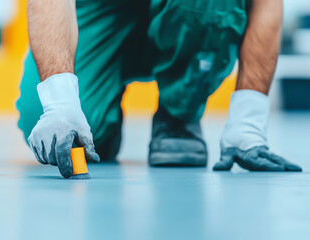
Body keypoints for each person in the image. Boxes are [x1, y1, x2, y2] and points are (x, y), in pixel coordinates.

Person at [16, 0, 302, 178]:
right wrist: (60, 102)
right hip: (103, 7)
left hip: (188, 8)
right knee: (45, 119)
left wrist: (248, 121)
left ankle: (178, 114)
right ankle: (99, 126)